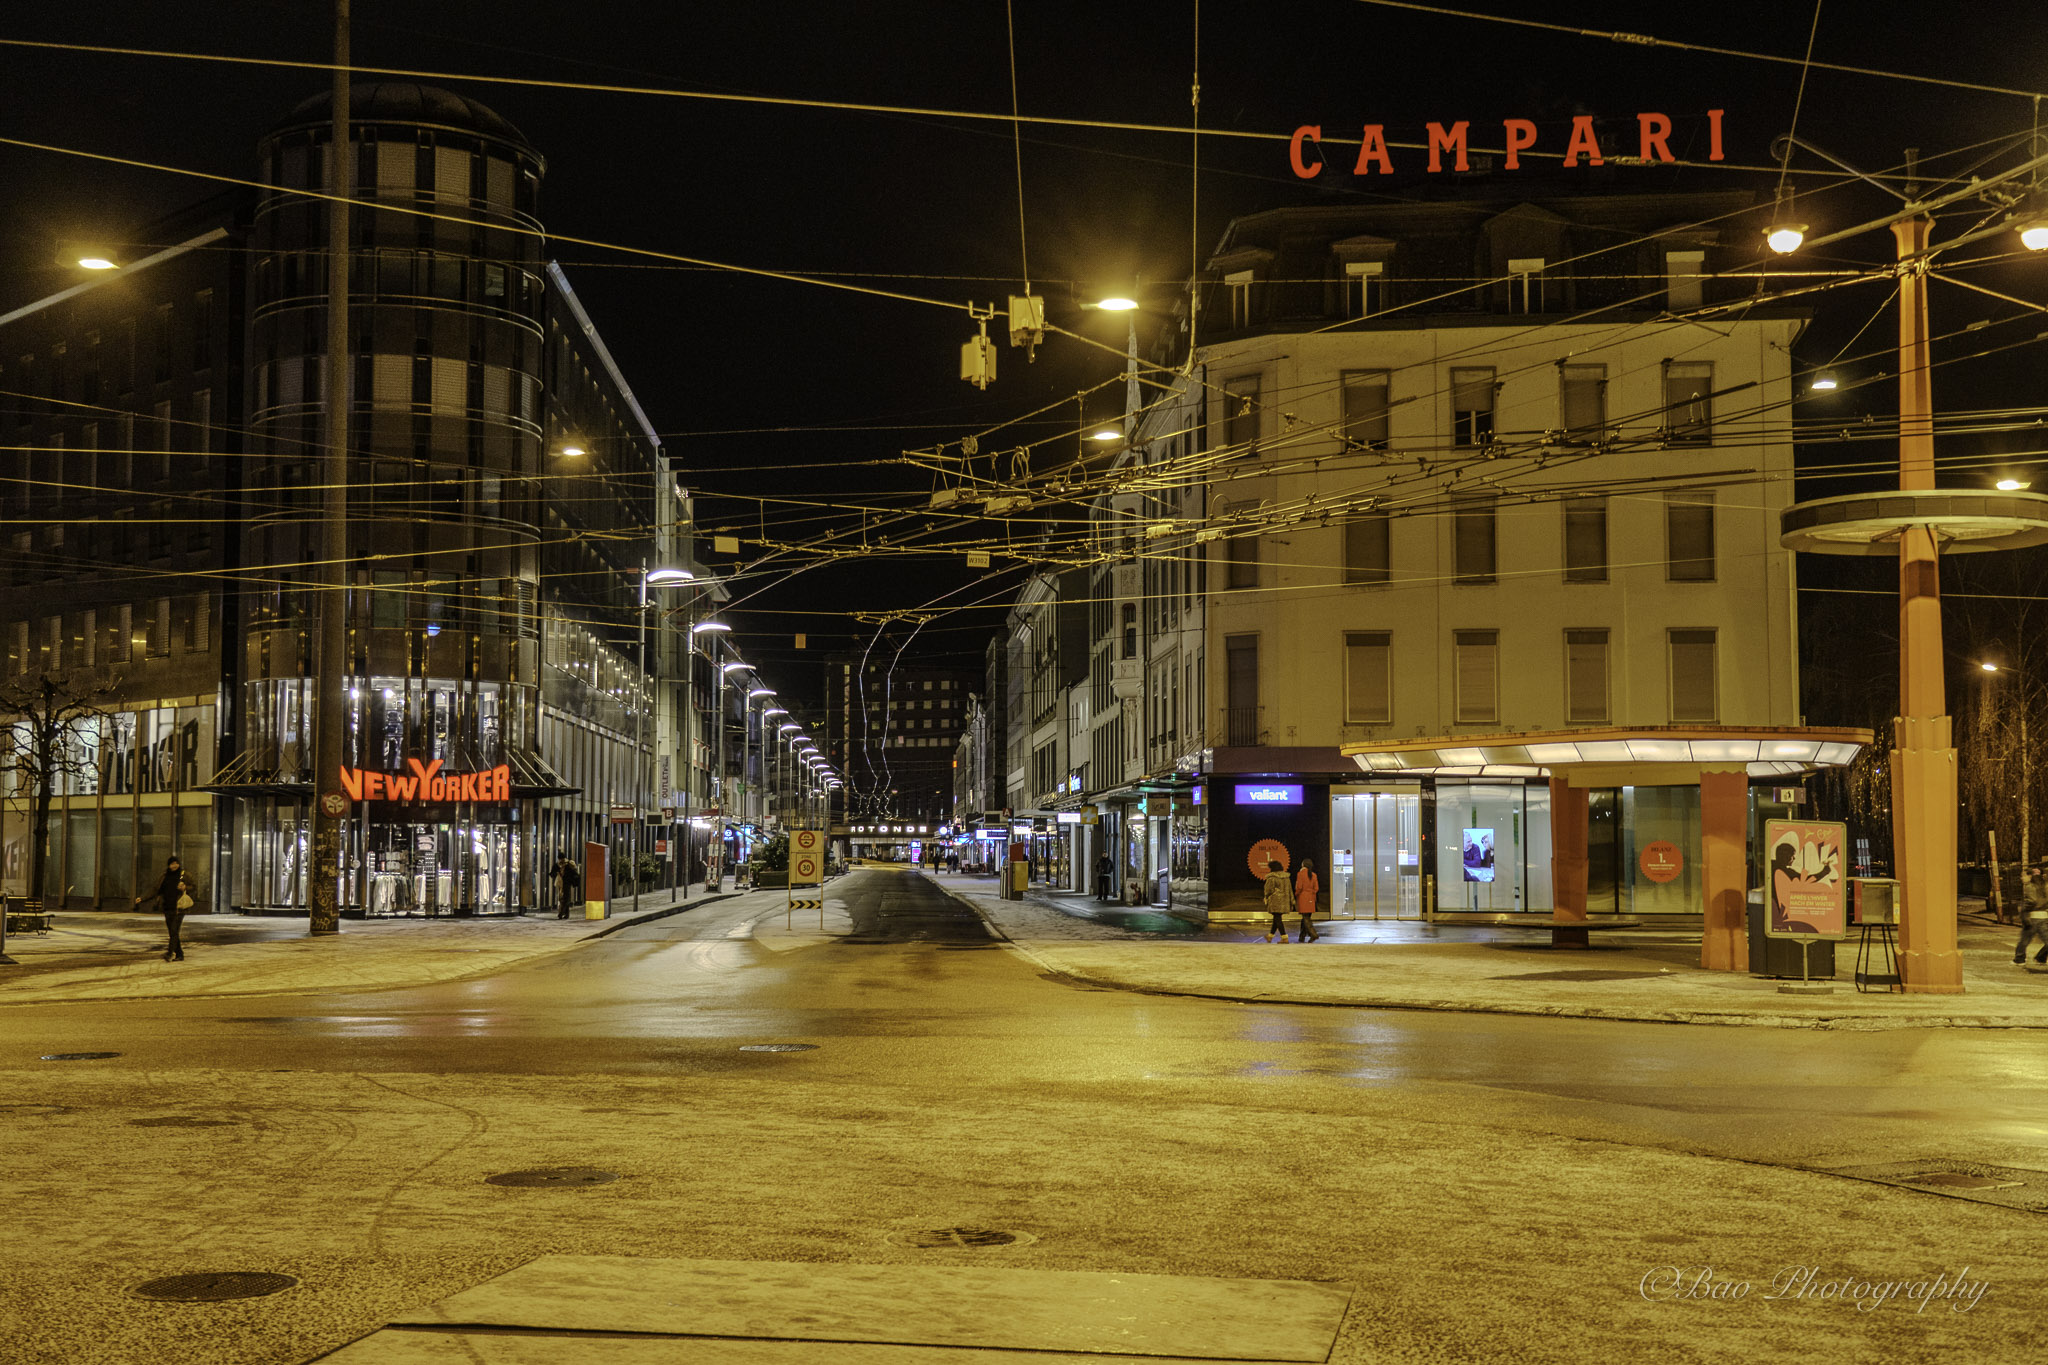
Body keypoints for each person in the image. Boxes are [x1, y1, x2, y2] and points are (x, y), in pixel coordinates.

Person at [135, 855, 191, 961]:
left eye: (176, 863)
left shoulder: (184, 875)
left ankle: (169, 953)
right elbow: (155, 889)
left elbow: (194, 887)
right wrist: (142, 898)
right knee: (172, 932)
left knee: (174, 931)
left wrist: (185, 887)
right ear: (169, 865)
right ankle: (179, 954)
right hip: (167, 907)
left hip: (179, 908)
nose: (174, 866)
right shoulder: (164, 876)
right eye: (172, 864)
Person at [2015, 865, 2048, 966]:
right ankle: (2040, 957)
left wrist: (2024, 909)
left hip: (2033, 916)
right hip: (2043, 915)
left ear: (2030, 876)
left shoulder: (2030, 886)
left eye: (2023, 876)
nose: (2021, 878)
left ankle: (2019, 959)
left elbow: (2031, 901)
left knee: (2025, 939)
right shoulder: (2044, 886)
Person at [1261, 858, 1292, 943]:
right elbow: (1290, 889)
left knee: (1278, 919)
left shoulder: (1272, 877)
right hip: (1284, 900)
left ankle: (1284, 937)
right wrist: (1291, 900)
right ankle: (1270, 936)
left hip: (1275, 901)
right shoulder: (1286, 877)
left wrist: (1266, 897)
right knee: (1276, 918)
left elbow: (1268, 890)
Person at [1294, 856, 1321, 942]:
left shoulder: (1300, 874)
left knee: (1305, 918)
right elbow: (1316, 888)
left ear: (1303, 865)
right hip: (1311, 898)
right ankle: (1302, 936)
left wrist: (1296, 894)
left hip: (1303, 897)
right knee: (1306, 917)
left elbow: (1299, 887)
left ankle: (1313, 934)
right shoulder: (1314, 875)